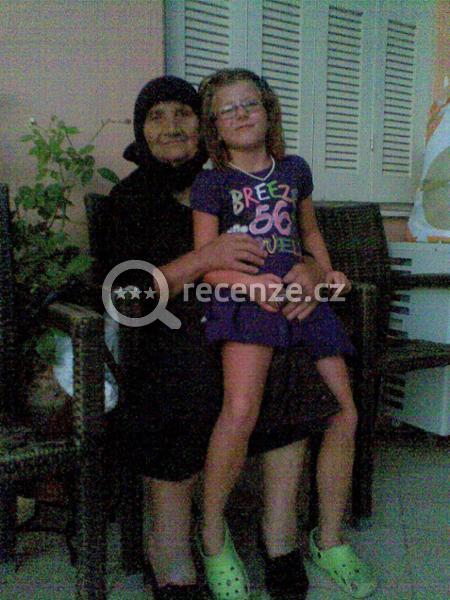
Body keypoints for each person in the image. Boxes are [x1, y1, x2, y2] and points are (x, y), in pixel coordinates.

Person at [103, 76, 337, 600]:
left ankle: (278, 533)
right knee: (183, 374)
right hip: (167, 333)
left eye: (182, 113)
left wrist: (311, 272)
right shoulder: (130, 199)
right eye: (156, 116)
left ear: (203, 125)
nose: (171, 126)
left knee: (289, 361)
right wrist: (203, 259)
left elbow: (291, 238)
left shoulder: (230, 182)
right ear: (141, 130)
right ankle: (171, 544)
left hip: (246, 315)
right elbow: (125, 295)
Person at [191, 68, 377, 600]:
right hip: (246, 297)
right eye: (228, 109)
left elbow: (308, 231)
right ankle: (212, 535)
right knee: (241, 410)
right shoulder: (212, 182)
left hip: (303, 294)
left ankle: (330, 539)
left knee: (344, 411)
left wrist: (326, 272)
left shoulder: (295, 169)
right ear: (214, 125)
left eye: (250, 104)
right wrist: (252, 288)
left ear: (269, 111)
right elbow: (206, 263)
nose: (241, 114)